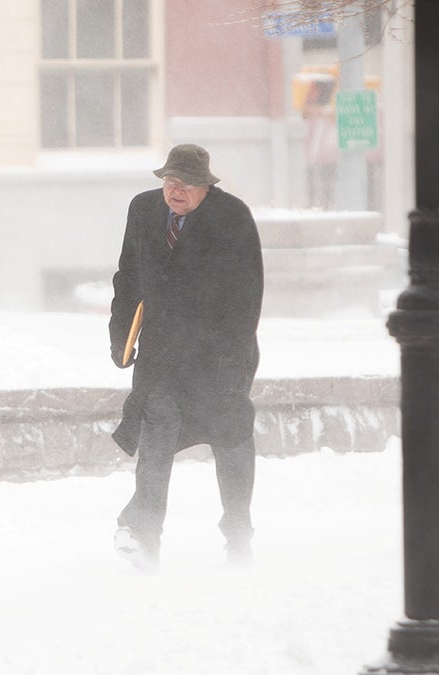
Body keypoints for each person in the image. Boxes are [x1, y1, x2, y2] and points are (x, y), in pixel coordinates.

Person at [108, 143, 263, 571]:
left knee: (230, 441)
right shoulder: (143, 210)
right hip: (162, 355)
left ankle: (238, 538)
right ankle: (144, 537)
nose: (176, 191)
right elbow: (128, 277)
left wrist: (232, 364)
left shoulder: (232, 219)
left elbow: (247, 296)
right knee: (155, 440)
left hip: (219, 355)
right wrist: (120, 335)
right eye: (170, 181)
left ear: (205, 187)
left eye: (187, 184)